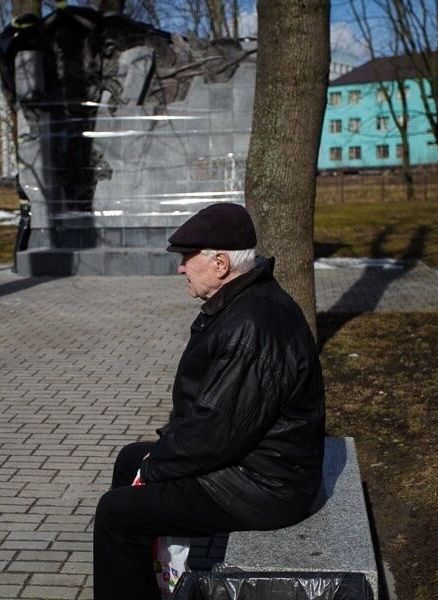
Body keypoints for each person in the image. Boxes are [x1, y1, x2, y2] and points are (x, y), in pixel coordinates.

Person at [93, 203, 325, 599]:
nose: (181, 268)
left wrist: (156, 466)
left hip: (266, 487)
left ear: (220, 263)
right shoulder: (245, 299)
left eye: (187, 258)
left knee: (118, 514)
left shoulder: (251, 325)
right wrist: (156, 458)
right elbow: (215, 418)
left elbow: (215, 433)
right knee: (130, 459)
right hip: (258, 465)